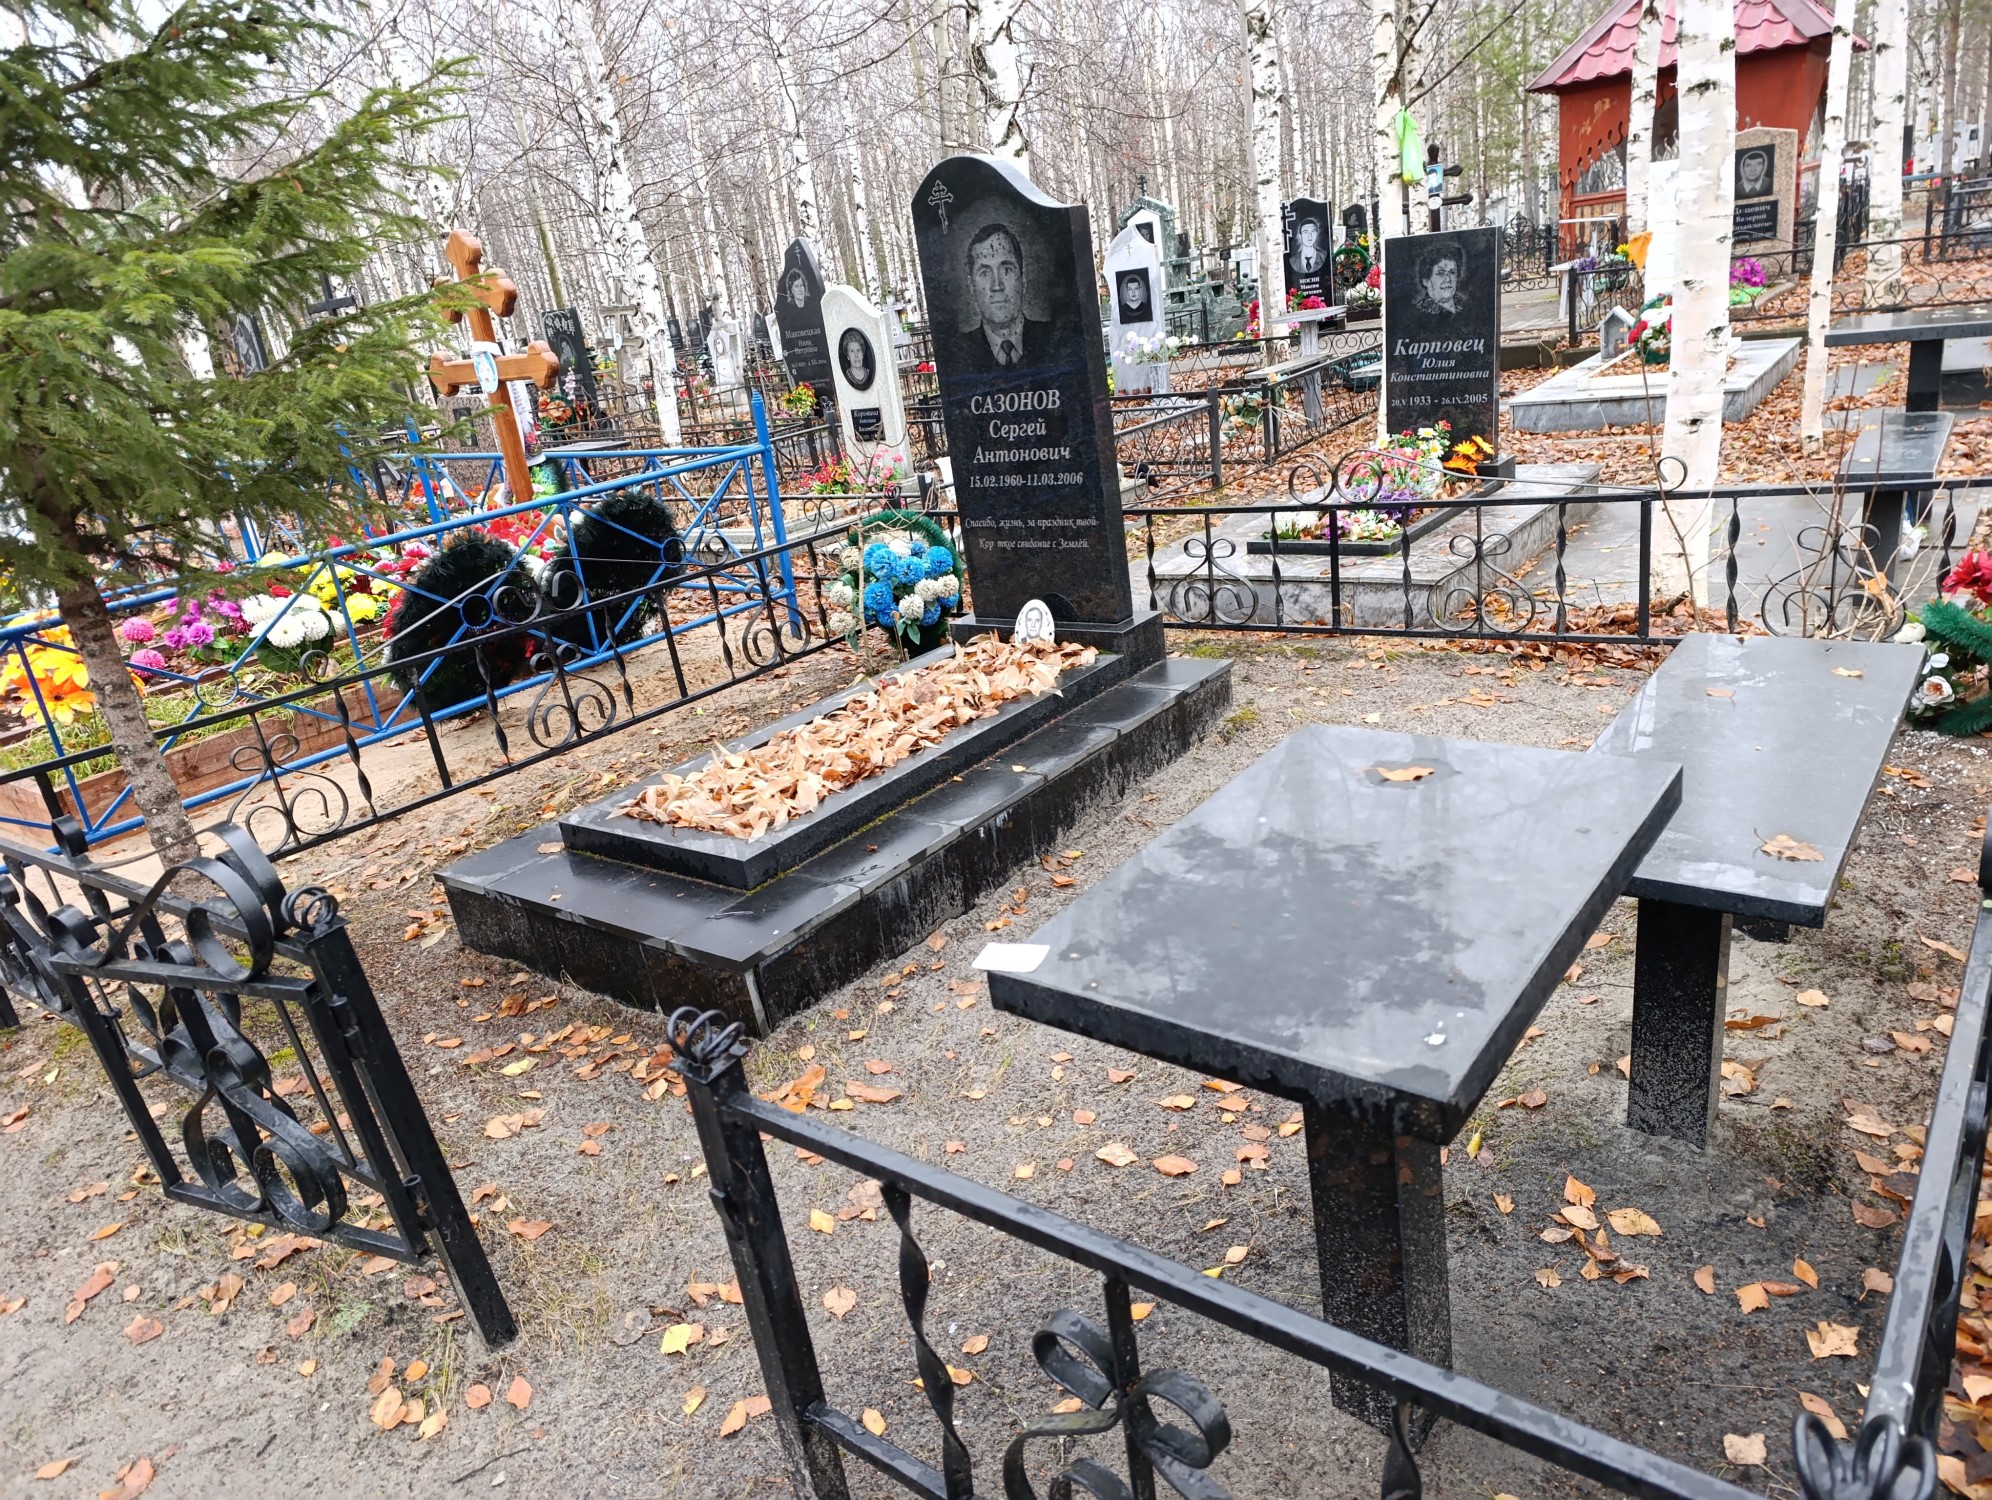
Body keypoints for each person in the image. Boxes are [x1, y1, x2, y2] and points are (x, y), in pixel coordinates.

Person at [952, 222, 1050, 372]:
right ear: (971, 286)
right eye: (984, 273)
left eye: (1007, 270)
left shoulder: (1055, 339)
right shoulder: (958, 353)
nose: (997, 286)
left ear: (1023, 279)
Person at [1411, 246, 1463, 316]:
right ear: (1426, 280)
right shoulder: (1416, 314)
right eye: (1441, 273)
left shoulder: (1466, 305)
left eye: (1452, 272)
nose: (1448, 279)